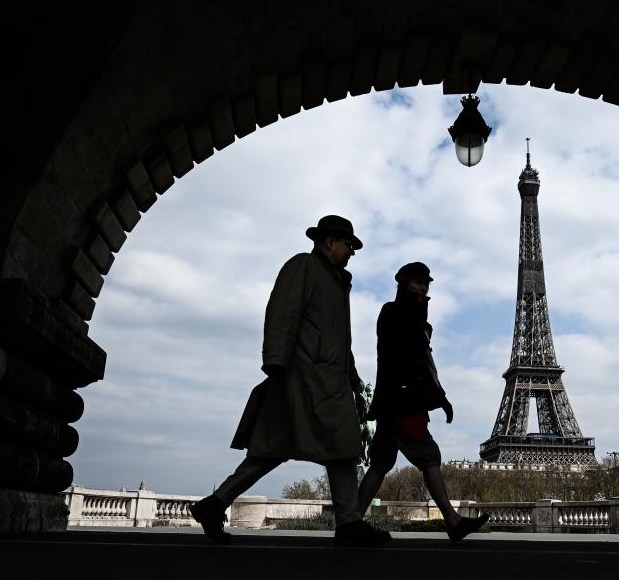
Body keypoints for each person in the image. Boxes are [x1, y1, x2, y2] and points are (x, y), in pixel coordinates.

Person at [190, 215, 390, 546]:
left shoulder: (333, 280)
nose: (353, 251)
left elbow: (340, 341)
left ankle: (215, 504)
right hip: (306, 378)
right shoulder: (304, 267)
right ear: (329, 242)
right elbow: (282, 313)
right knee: (336, 446)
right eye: (349, 244)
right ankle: (349, 523)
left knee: (280, 448)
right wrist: (275, 364)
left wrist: (353, 378)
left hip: (325, 379)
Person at [360, 262, 489, 542]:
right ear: (402, 283)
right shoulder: (398, 313)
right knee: (429, 456)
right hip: (405, 401)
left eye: (425, 284)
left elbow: (420, 360)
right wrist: (439, 397)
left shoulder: (409, 316)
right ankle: (452, 520)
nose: (422, 288)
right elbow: (415, 358)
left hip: (392, 402)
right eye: (416, 282)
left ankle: (350, 521)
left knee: (380, 464)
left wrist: (439, 397)